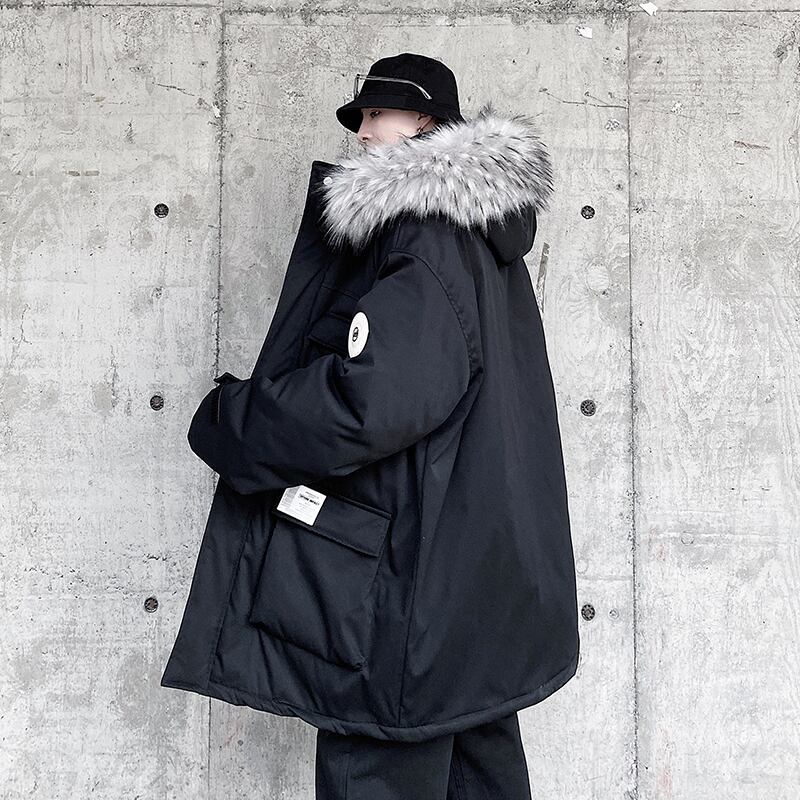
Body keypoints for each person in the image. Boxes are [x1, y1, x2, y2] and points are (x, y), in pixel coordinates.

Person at [160, 52, 579, 800]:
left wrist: (235, 422)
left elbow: (374, 402)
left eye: (375, 114)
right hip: (470, 590)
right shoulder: (480, 236)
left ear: (423, 123)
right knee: (476, 769)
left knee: (378, 769)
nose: (360, 131)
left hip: (405, 589)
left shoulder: (427, 235)